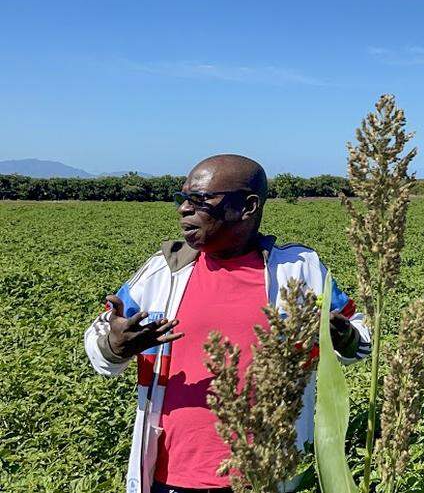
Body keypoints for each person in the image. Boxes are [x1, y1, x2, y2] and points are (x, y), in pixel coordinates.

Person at [83, 154, 371, 493]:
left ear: (248, 206)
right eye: (183, 199)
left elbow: (361, 336)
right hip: (170, 478)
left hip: (269, 474)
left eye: (200, 200)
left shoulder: (298, 269)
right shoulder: (161, 272)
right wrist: (113, 346)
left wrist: (344, 336)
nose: (183, 209)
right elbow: (99, 337)